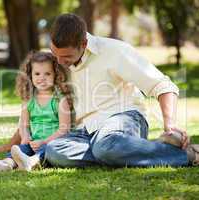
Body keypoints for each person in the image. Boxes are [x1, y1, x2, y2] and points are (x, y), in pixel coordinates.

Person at [42, 13, 199, 167]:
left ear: (83, 44)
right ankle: (140, 151)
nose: (59, 62)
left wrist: (170, 124)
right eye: (55, 54)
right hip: (88, 130)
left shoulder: (115, 51)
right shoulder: (61, 62)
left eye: (66, 57)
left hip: (124, 118)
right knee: (54, 150)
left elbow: (162, 85)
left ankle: (188, 154)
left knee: (105, 145)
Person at [0, 51, 73, 172]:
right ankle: (4, 165)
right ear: (30, 76)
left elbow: (64, 129)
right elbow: (24, 125)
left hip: (52, 143)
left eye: (47, 74)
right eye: (37, 74)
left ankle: (32, 162)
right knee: (20, 149)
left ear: (56, 75)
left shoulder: (60, 100)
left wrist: (44, 141)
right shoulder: (29, 100)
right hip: (32, 143)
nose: (42, 78)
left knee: (47, 150)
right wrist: (26, 137)